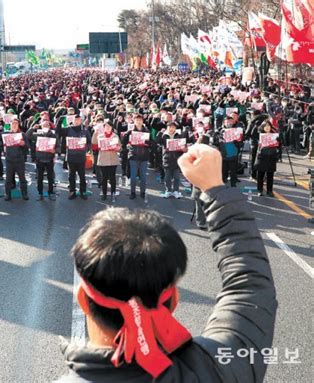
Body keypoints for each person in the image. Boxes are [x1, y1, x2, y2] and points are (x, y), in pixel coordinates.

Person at [57, 144, 277, 382]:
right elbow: (250, 286)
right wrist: (216, 190)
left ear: (83, 299)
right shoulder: (220, 367)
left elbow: (250, 288)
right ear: (173, 299)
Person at [122, 114, 151, 200]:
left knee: (143, 177)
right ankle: (133, 192)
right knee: (133, 177)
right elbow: (124, 143)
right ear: (134, 121)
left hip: (144, 157)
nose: (138, 122)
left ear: (143, 121)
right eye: (137, 120)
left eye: (140, 120)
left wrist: (147, 144)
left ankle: (142, 192)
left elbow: (152, 143)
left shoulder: (147, 131)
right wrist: (127, 146)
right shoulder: (130, 132)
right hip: (133, 157)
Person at [27, 120, 57, 201]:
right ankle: (40, 193)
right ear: (41, 127)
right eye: (44, 125)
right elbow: (27, 136)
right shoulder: (37, 135)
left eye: (47, 125)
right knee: (39, 177)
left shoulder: (53, 135)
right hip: (40, 159)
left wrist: (55, 151)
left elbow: (58, 146)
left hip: (49, 159)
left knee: (50, 177)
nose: (45, 127)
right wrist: (32, 128)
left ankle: (50, 193)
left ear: (49, 126)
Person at [91, 122, 121, 202]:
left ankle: (113, 193)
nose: (107, 127)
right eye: (106, 126)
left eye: (109, 126)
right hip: (103, 159)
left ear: (112, 127)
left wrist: (118, 148)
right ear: (104, 128)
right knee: (104, 178)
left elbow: (120, 147)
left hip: (113, 159)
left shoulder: (115, 136)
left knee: (112, 177)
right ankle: (104, 193)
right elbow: (93, 143)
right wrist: (95, 132)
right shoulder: (100, 136)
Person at [156, 122, 186, 199]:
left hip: (177, 159)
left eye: (173, 127)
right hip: (167, 158)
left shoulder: (179, 136)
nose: (171, 128)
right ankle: (168, 191)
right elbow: (157, 141)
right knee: (167, 177)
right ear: (167, 127)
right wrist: (160, 133)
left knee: (177, 177)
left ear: (175, 128)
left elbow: (183, 146)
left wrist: (183, 149)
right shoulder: (164, 135)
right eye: (170, 127)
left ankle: (176, 191)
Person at [66, 114, 91, 200]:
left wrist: (85, 148)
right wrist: (63, 119)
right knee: (71, 175)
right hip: (71, 156)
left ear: (81, 120)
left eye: (78, 120)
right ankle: (72, 191)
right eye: (75, 120)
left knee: (82, 175)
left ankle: (82, 191)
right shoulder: (68, 129)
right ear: (72, 120)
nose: (77, 121)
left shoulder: (85, 130)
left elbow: (89, 142)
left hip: (81, 156)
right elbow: (58, 130)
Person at [4, 119, 29, 201]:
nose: (14, 125)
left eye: (16, 123)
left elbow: (27, 147)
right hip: (9, 160)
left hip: (19, 160)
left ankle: (24, 194)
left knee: (22, 178)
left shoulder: (22, 134)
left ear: (18, 124)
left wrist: (23, 144)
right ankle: (8, 195)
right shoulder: (6, 134)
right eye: (12, 123)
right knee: (8, 179)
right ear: (10, 125)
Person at [255, 121, 280, 197]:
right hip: (262, 156)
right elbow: (251, 135)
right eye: (265, 126)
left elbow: (279, 145)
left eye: (268, 126)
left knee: (270, 175)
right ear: (262, 127)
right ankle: (260, 190)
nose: (267, 127)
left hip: (271, 156)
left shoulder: (274, 134)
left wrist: (279, 139)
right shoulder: (259, 134)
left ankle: (269, 190)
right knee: (260, 175)